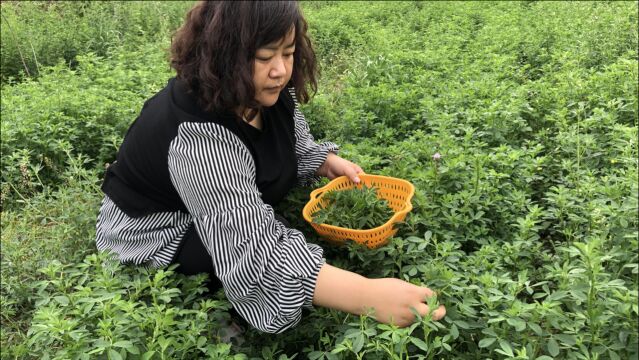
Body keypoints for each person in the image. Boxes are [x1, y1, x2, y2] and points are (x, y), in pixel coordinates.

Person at [96, 0, 445, 334]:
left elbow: (292, 139)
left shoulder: (266, 90)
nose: (280, 70)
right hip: (154, 229)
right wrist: (367, 296)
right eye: (264, 56)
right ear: (223, 56)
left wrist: (323, 160)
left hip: (200, 201)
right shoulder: (198, 138)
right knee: (239, 243)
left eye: (288, 52)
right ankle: (211, 316)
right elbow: (253, 248)